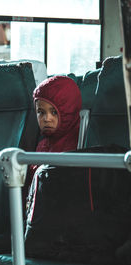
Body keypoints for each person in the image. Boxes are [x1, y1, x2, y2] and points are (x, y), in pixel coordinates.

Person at [23, 75, 82, 206]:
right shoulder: (42, 145)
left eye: (54, 112)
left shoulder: (78, 144)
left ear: (68, 111)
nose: (47, 119)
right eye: (41, 112)